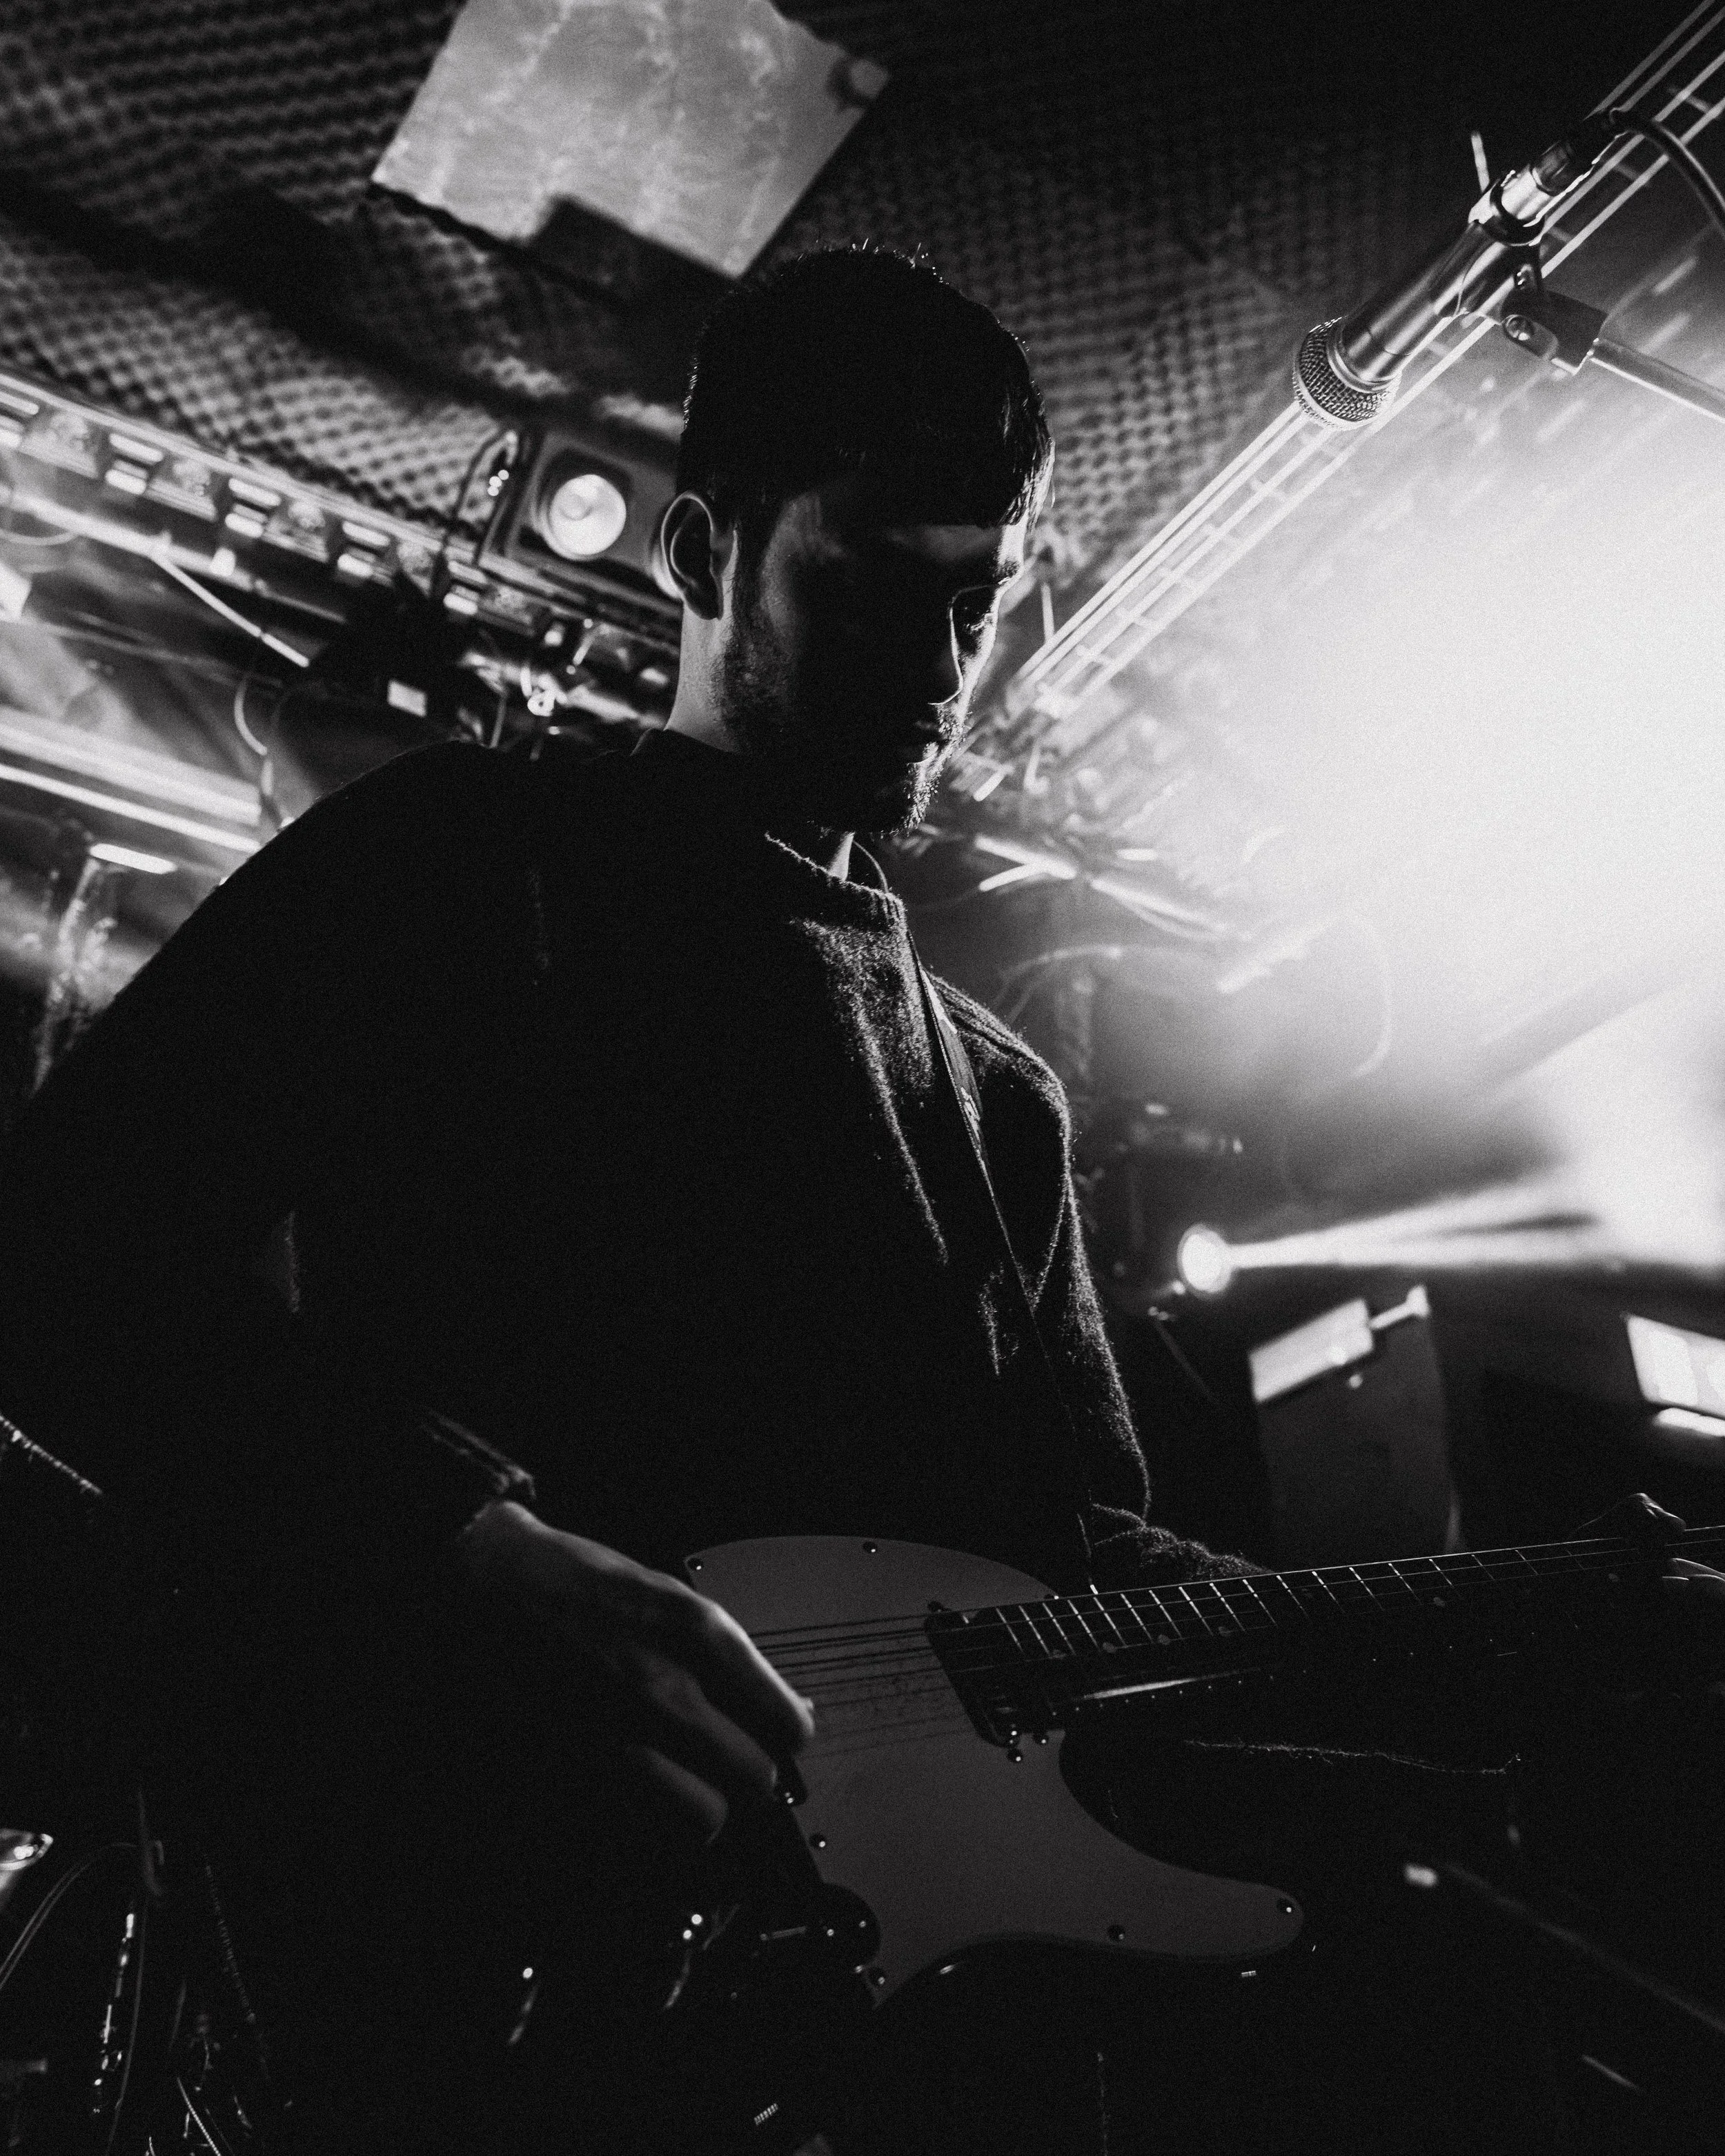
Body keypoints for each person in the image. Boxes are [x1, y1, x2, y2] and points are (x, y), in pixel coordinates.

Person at [0, 245, 1252, 2153]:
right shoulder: (459, 862)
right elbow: (63, 1238)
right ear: (699, 552)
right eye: (867, 583)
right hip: (435, 1995)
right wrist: (449, 1542)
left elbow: (1072, 1558)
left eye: (972, 605)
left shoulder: (995, 1101)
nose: (934, 666)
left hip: (881, 2038)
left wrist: (1446, 1623)